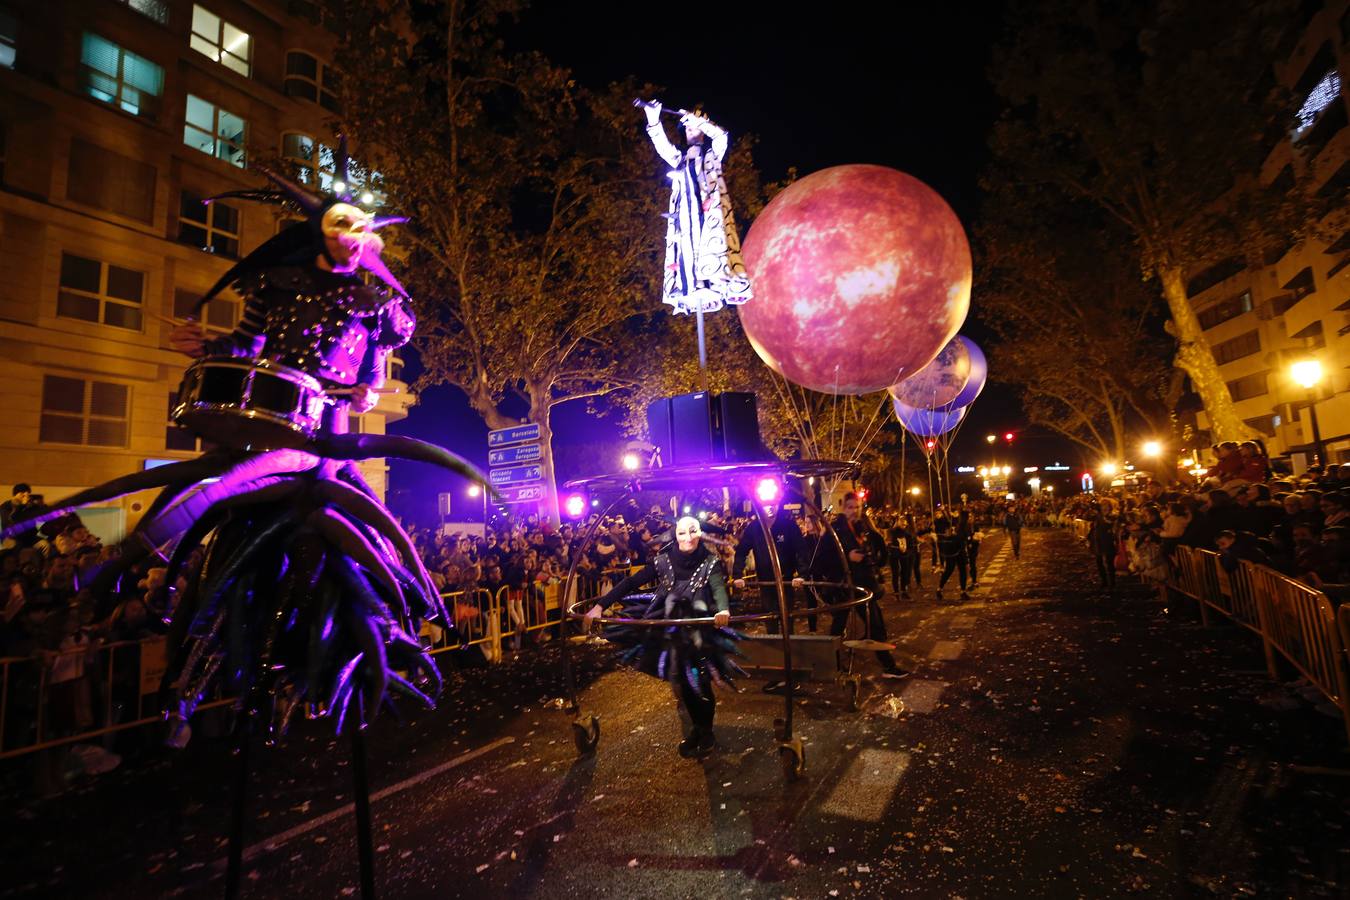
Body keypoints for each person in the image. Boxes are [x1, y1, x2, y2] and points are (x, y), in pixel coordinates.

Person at [585, 516, 740, 757]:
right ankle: (698, 729)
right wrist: (600, 605)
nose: (687, 537)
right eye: (681, 533)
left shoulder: (711, 562)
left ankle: (706, 730)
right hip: (672, 634)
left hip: (699, 632)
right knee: (682, 681)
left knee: (700, 681)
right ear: (674, 535)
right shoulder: (663, 561)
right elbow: (631, 582)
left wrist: (722, 609)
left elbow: (718, 586)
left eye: (692, 531)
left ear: (700, 533)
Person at [640, 100, 752, 315]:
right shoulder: (680, 159)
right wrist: (653, 120)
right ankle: (692, 284)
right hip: (687, 219)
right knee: (688, 253)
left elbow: (721, 136)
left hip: (709, 218)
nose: (692, 130)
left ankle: (713, 282)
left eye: (695, 127)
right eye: (688, 127)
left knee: (711, 249)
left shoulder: (713, 154)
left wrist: (701, 121)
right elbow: (663, 148)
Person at [815, 493, 909, 678]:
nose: (854, 511)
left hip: (865, 586)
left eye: (857, 507)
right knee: (838, 628)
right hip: (844, 587)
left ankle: (888, 667)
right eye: (850, 507)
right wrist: (847, 559)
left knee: (875, 625)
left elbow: (878, 547)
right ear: (843, 508)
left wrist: (876, 560)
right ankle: (830, 664)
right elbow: (821, 560)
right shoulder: (833, 530)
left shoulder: (863, 527)